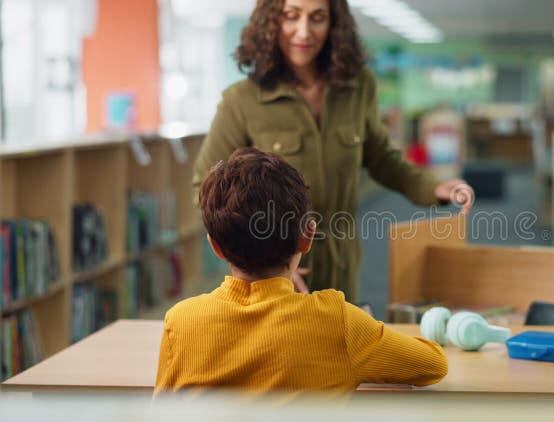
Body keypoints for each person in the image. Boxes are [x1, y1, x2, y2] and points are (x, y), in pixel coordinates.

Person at [192, 0, 473, 302]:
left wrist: (434, 187)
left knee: (341, 342)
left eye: (317, 18)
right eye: (291, 16)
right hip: (275, 273)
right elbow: (206, 186)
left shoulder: (358, 87)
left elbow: (380, 157)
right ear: (271, 22)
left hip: (342, 260)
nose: (304, 31)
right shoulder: (242, 100)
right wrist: (261, 265)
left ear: (333, 25)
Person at [155, 148, 448, 396]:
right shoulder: (338, 322)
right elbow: (433, 364)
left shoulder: (180, 323)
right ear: (307, 236)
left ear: (215, 246)